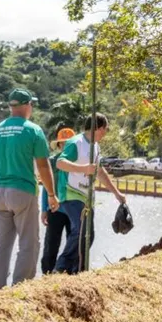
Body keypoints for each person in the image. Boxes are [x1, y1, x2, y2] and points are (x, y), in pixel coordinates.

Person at [0, 88, 59, 290]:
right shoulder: (33, 130)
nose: (31, 107)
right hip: (23, 191)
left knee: (1, 243)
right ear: (26, 106)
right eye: (31, 104)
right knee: (29, 243)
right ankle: (20, 287)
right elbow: (43, 166)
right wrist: (51, 194)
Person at [54, 113, 127, 274]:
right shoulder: (76, 142)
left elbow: (100, 171)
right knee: (81, 230)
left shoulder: (95, 146)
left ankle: (76, 271)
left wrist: (117, 194)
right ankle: (60, 268)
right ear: (99, 128)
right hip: (72, 193)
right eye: (106, 130)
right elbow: (60, 163)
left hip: (87, 196)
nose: (105, 133)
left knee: (89, 235)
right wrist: (84, 169)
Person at [40, 127, 76, 274]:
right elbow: (46, 185)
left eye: (69, 143)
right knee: (51, 243)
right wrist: (44, 209)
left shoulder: (79, 162)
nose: (65, 146)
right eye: (63, 143)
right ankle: (47, 273)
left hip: (74, 208)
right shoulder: (52, 162)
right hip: (55, 208)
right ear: (59, 145)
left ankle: (71, 272)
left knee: (73, 241)